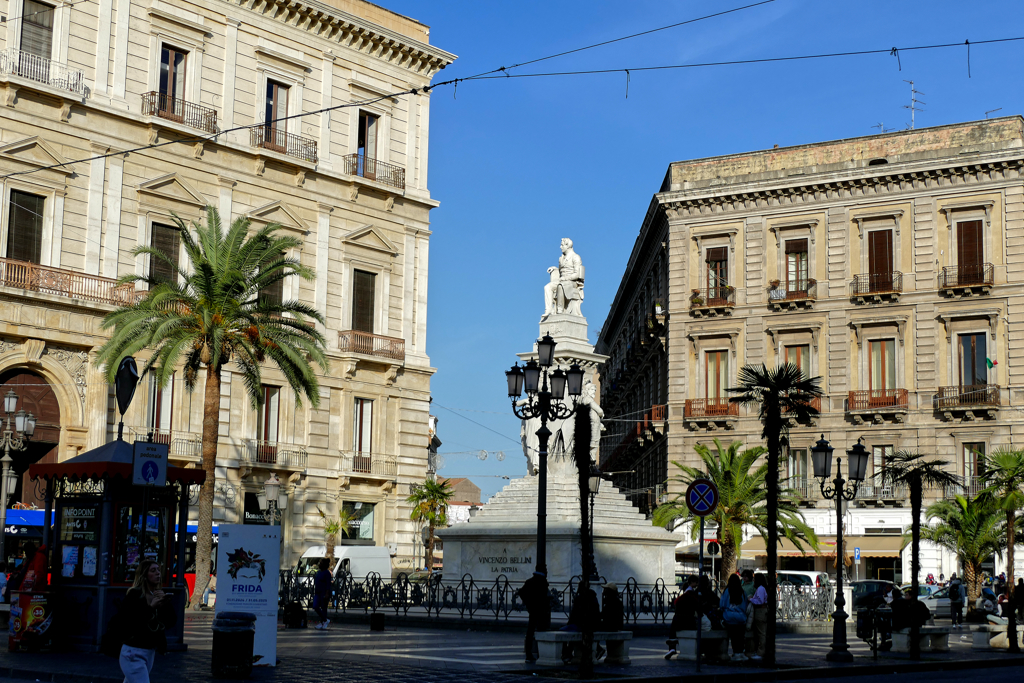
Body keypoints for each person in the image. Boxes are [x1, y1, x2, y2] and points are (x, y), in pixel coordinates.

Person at [118, 559, 175, 683]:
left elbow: (170, 622)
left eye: (159, 570)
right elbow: (131, 622)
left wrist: (165, 604)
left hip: (149, 651)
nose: (157, 574)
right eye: (153, 571)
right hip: (133, 651)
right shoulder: (134, 595)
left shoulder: (157, 594)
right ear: (144, 575)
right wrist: (151, 607)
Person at [665, 575, 699, 659]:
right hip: (690, 621)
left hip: (678, 621)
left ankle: (672, 648)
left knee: (673, 630)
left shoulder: (684, 596)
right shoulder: (693, 595)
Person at [519, 571, 550, 663]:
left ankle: (529, 653)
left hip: (533, 610)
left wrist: (529, 604)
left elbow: (521, 592)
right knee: (541, 631)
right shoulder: (542, 582)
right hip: (541, 610)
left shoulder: (530, 581)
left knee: (531, 631)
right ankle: (542, 653)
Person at [719, 574, 749, 662]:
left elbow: (722, 604)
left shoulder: (727, 591)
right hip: (741, 618)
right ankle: (740, 652)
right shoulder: (742, 592)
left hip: (729, 617)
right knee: (740, 636)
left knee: (733, 636)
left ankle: (736, 653)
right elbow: (745, 606)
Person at [597, 582, 623, 661]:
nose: (603, 591)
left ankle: (598, 649)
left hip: (611, 626)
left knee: (592, 628)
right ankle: (598, 648)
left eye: (605, 589)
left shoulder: (611, 601)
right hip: (614, 626)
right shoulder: (615, 601)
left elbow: (606, 615)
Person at [748, 573, 769, 661]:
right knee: (761, 632)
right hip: (762, 611)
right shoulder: (762, 588)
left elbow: (760, 601)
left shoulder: (760, 588)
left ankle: (761, 652)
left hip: (760, 611)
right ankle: (760, 651)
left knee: (761, 633)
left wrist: (751, 599)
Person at [312, 558, 332, 630]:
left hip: (323, 592)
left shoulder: (327, 573)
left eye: (320, 563)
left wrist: (327, 593)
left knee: (324, 608)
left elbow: (328, 584)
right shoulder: (319, 572)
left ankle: (323, 621)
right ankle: (325, 620)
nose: (319, 564)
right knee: (315, 606)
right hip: (317, 592)